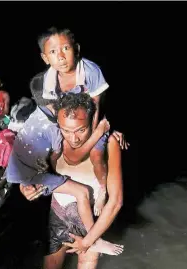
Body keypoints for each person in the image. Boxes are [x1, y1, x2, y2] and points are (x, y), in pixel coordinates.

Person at [5, 77, 120, 252]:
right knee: (81, 193)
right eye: (66, 130)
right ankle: (95, 241)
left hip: (86, 211)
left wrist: (106, 133)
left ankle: (94, 240)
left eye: (80, 130)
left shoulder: (106, 138)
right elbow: (64, 156)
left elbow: (116, 201)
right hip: (55, 204)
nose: (73, 137)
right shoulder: (53, 129)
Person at [32, 27, 129, 215]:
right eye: (53, 52)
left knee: (96, 155)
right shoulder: (47, 80)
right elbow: (52, 114)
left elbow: (97, 107)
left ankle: (102, 189)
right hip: (66, 123)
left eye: (65, 49)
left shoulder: (91, 71)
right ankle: (58, 184)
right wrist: (62, 138)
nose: (60, 57)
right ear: (45, 58)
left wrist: (90, 138)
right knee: (51, 153)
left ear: (76, 49)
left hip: (90, 121)